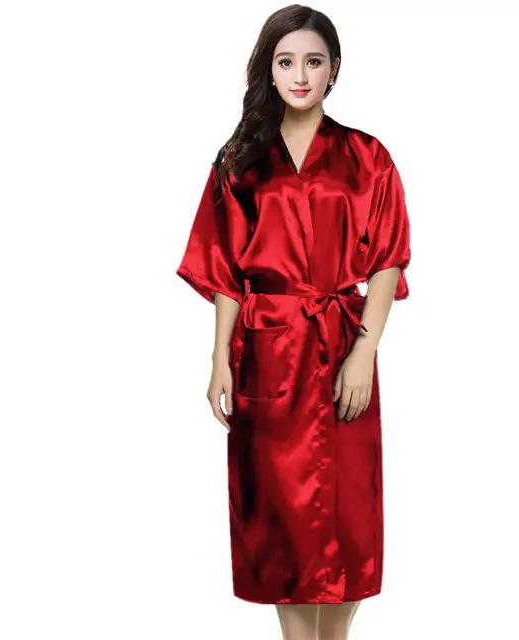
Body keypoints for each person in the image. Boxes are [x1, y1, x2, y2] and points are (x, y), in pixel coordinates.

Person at [176, 5, 411, 640]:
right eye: (286, 62)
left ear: (334, 69)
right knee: (283, 528)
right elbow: (225, 268)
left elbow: (388, 258)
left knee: (348, 522)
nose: (300, 76)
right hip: (268, 355)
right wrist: (219, 359)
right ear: (269, 70)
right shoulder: (240, 158)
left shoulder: (367, 155)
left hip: (341, 347)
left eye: (313, 61)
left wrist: (364, 352)